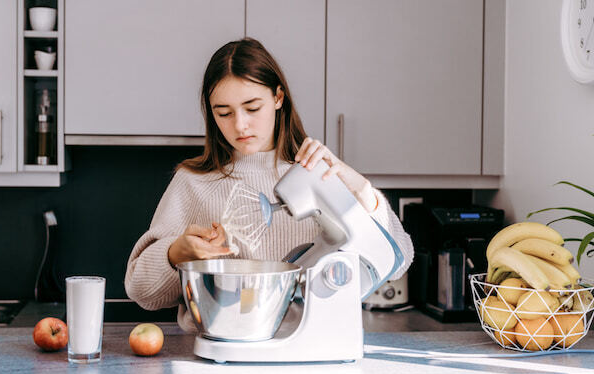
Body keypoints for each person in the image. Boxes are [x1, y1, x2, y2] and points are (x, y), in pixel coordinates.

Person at [125, 37, 414, 331]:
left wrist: (359, 188)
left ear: (278, 97)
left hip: (312, 356)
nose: (239, 125)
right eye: (223, 113)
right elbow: (141, 292)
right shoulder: (193, 183)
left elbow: (399, 260)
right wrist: (176, 254)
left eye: (252, 108)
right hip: (219, 361)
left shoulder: (317, 177)